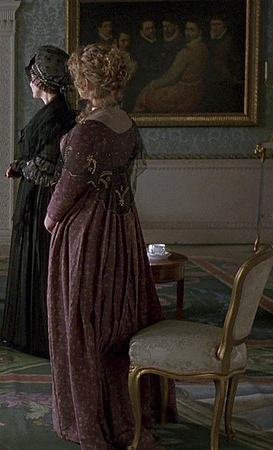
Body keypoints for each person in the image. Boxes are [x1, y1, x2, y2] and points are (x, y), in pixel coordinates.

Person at [44, 43, 174, 449]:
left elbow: (70, 185)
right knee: (116, 316)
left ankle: (90, 418)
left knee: (83, 320)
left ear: (91, 82)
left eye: (80, 76)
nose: (76, 82)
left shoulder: (90, 129)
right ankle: (121, 409)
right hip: (121, 229)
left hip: (88, 233)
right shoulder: (125, 122)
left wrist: (50, 218)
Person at [1, 46, 75, 358]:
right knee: (34, 258)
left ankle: (40, 336)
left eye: (32, 78)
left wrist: (21, 167)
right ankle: (32, 332)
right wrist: (22, 166)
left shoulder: (57, 116)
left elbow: (47, 167)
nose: (30, 84)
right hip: (37, 193)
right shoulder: (52, 112)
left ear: (41, 81)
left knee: (40, 259)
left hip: (43, 197)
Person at [134, 19, 209, 113]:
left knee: (144, 96)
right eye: (187, 29)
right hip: (198, 90)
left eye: (192, 30)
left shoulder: (185, 53)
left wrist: (152, 85)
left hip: (184, 94)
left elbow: (171, 78)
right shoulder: (204, 47)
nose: (187, 33)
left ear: (200, 32)